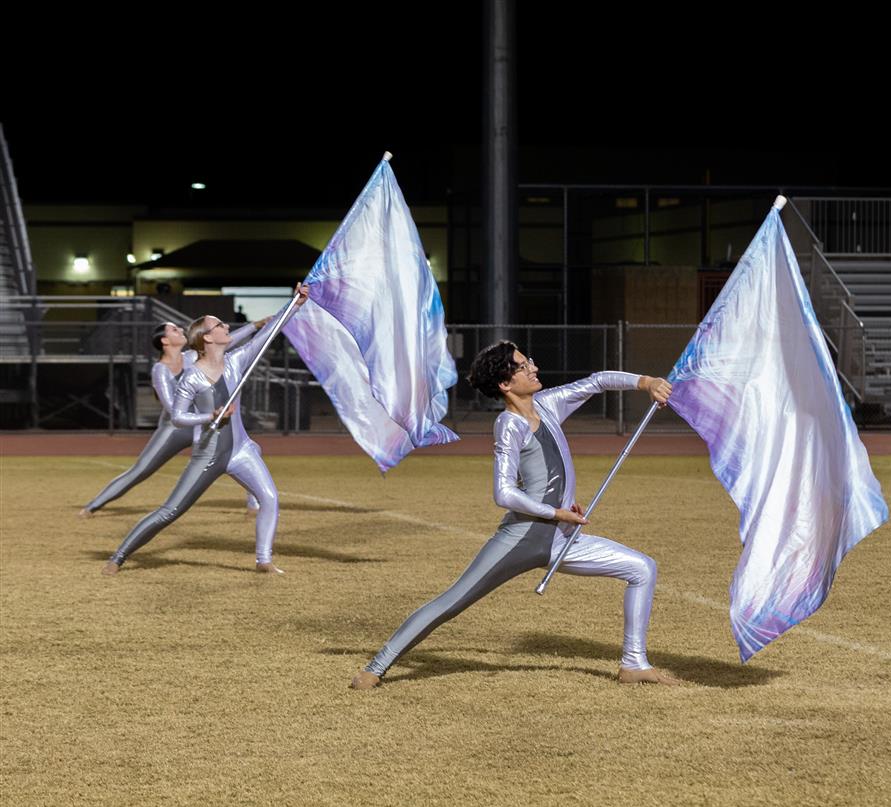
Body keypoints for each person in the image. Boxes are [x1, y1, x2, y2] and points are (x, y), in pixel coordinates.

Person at [350, 341, 681, 689]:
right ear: (505, 385)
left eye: (529, 362)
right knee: (453, 601)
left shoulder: (548, 405)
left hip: (560, 538)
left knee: (642, 568)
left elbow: (597, 381)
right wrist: (555, 510)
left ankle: (634, 664)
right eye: (523, 366)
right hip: (522, 539)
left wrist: (645, 382)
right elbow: (503, 493)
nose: (533, 368)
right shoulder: (509, 424)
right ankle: (375, 668)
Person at [100, 284, 309, 575]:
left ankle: (264, 560)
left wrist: (296, 303)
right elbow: (177, 416)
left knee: (270, 499)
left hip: (240, 450)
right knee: (170, 511)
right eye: (219, 325)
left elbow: (269, 332)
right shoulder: (192, 378)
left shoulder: (237, 361)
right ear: (208, 337)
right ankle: (120, 555)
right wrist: (208, 417)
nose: (226, 327)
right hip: (208, 455)